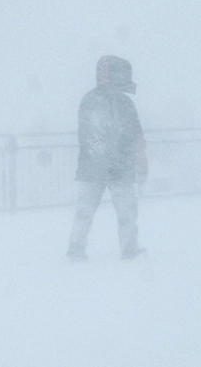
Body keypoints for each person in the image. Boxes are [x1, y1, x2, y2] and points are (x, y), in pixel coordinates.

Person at [66, 55, 148, 261]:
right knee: (123, 213)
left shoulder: (95, 101)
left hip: (95, 168)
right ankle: (127, 250)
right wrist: (138, 159)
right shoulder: (116, 102)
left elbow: (135, 135)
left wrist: (136, 155)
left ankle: (78, 248)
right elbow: (135, 136)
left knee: (91, 212)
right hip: (110, 168)